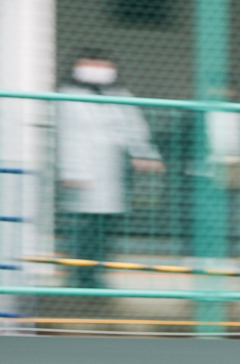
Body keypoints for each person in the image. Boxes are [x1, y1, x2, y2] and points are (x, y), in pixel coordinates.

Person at [57, 54, 162, 288]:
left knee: (105, 230)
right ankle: (79, 279)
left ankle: (97, 275)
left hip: (112, 175)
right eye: (91, 65)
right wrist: (74, 171)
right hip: (81, 177)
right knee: (81, 230)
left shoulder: (119, 96)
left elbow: (134, 127)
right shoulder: (69, 95)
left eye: (103, 65)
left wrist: (144, 154)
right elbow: (68, 136)